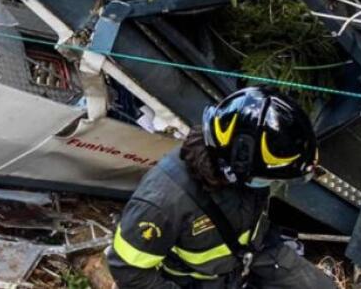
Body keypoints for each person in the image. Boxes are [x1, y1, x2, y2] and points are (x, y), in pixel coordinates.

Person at [107, 87, 336, 289]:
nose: (272, 184)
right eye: (271, 178)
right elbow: (128, 270)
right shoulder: (163, 202)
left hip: (254, 255)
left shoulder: (241, 168)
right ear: (237, 165)